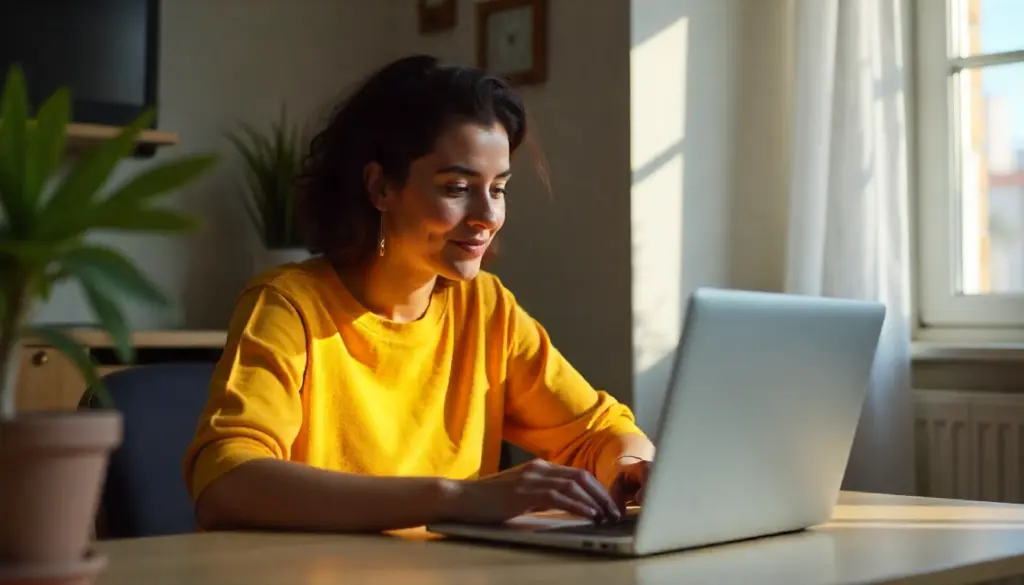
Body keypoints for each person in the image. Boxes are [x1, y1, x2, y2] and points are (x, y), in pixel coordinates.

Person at [183, 55, 656, 534]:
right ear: (380, 187)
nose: (487, 216)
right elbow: (226, 483)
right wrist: (456, 498)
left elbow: (601, 432)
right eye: (458, 187)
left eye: (498, 189)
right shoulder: (288, 305)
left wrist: (632, 470)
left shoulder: (486, 309)